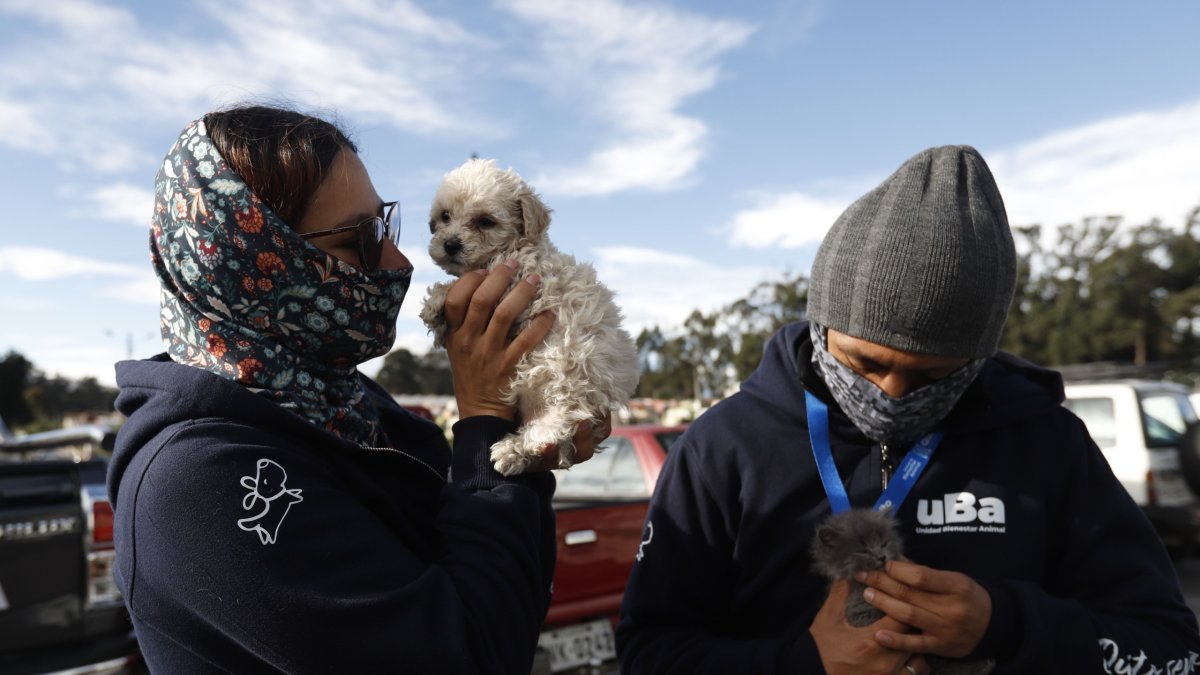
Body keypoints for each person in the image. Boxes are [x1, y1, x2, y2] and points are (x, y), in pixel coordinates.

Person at [616, 145, 1200, 674]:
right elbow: (649, 653)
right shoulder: (723, 449)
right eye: (864, 364)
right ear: (822, 327)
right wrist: (803, 666)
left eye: (933, 375)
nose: (892, 393)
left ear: (978, 357)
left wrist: (1008, 626)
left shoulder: (1048, 443)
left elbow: (1171, 651)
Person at [107, 105, 606, 673]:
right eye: (360, 238)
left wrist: (524, 436)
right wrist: (487, 426)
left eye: (386, 225)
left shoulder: (357, 410)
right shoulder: (196, 481)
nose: (399, 262)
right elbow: (470, 655)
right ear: (257, 263)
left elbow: (507, 605)